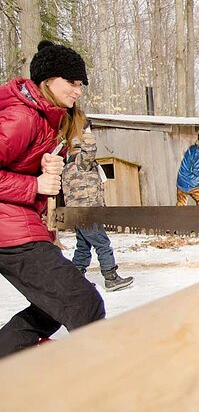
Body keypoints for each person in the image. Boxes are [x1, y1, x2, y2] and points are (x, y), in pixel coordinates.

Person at [0, 40, 105, 357]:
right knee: (83, 304)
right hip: (9, 233)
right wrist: (35, 185)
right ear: (48, 80)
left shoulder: (47, 118)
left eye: (81, 83)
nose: (78, 90)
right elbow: (28, 185)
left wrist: (43, 178)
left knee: (55, 308)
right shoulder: (22, 118)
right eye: (72, 82)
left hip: (21, 228)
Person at [62, 121, 134, 291]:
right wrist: (86, 131)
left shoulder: (70, 162)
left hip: (79, 211)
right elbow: (90, 150)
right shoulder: (79, 160)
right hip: (86, 212)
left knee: (83, 246)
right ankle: (111, 278)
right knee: (102, 244)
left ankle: (75, 281)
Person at [176, 134, 199, 206]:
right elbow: (196, 171)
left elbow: (192, 167)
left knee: (181, 203)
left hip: (181, 181)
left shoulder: (192, 149)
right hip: (190, 184)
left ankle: (178, 216)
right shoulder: (198, 154)